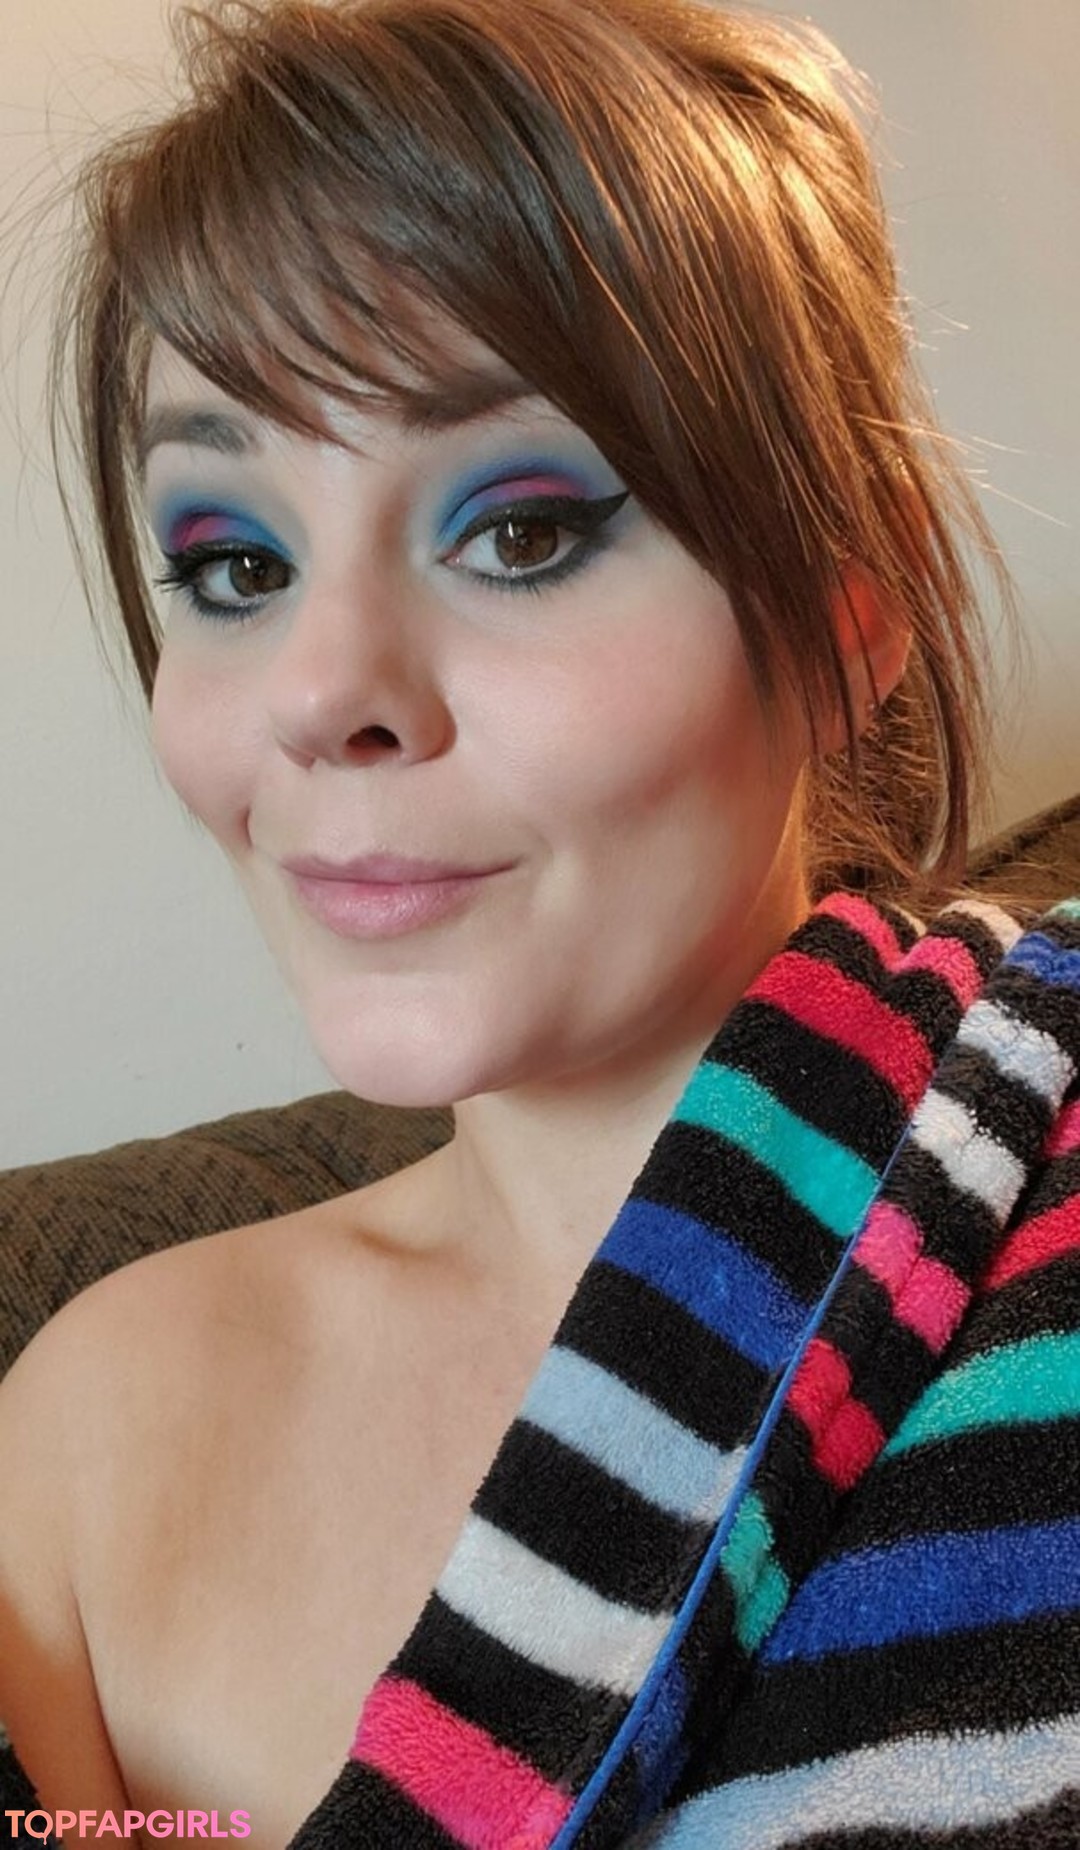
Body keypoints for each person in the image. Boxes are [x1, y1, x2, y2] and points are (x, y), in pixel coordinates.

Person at [1, 0, 1078, 1844]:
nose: (321, 689)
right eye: (236, 562)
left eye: (516, 531)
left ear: (852, 614)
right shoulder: (87, 1443)